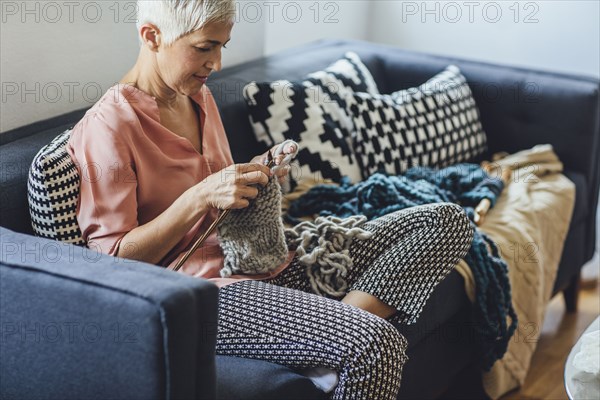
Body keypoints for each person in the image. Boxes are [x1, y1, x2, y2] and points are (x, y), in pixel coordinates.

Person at [66, 1, 474, 398]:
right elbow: (112, 263)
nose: (216, 64)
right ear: (152, 36)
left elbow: (224, 203)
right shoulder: (109, 127)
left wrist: (257, 176)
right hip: (203, 293)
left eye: (222, 46)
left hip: (262, 260)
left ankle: (335, 334)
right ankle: (343, 339)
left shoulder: (198, 97)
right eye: (205, 47)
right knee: (376, 345)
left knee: (446, 221)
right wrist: (199, 196)